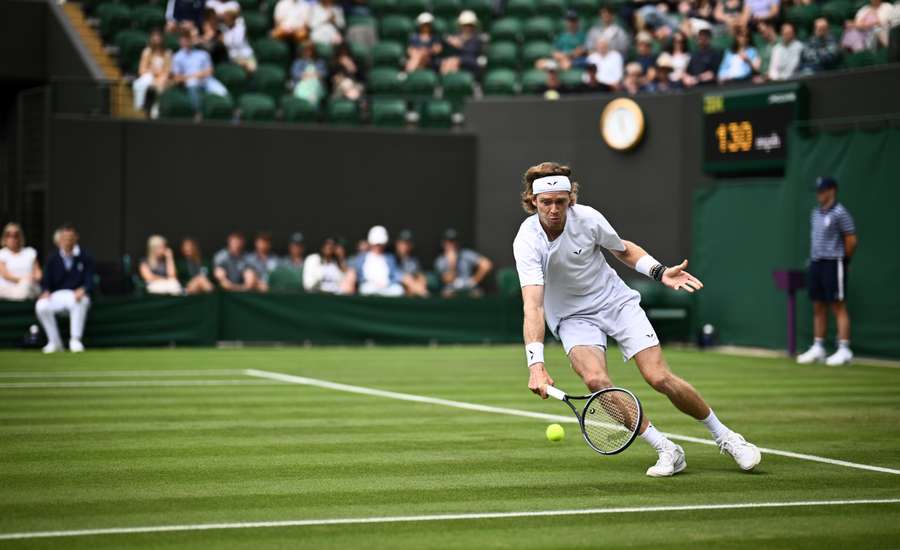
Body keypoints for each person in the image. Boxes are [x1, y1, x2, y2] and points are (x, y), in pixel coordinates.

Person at [513, 162, 761, 477]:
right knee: (595, 382)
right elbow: (533, 305)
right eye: (546, 202)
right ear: (533, 201)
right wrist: (535, 364)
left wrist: (659, 271)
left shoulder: (588, 219)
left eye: (560, 202)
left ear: (569, 200)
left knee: (659, 378)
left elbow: (623, 250)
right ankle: (666, 448)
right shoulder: (527, 241)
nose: (553, 209)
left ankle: (725, 436)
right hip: (572, 317)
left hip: (614, 301)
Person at [797, 177, 858, 366]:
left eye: (822, 190)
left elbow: (851, 240)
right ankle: (818, 347)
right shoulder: (815, 213)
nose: (819, 194)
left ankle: (844, 349)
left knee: (837, 305)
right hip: (817, 263)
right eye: (818, 191)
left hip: (834, 262)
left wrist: (844, 260)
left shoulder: (841, 213)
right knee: (818, 305)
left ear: (832, 191)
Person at [35, 224, 94, 353]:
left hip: (76, 294)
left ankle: (75, 340)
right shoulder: (52, 258)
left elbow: (90, 281)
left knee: (81, 301)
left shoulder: (85, 257)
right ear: (59, 240)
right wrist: (45, 291)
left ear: (76, 238)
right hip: (57, 296)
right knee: (41, 305)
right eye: (65, 238)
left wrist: (83, 289)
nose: (68, 241)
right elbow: (45, 281)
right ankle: (55, 342)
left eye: (70, 238)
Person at [172, 30, 229, 112]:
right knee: (192, 83)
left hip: (206, 80)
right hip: (190, 81)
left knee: (222, 91)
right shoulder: (177, 57)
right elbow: (177, 78)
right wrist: (194, 76)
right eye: (183, 39)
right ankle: (197, 113)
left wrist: (198, 75)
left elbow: (210, 71)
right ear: (180, 41)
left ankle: (231, 113)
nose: (186, 42)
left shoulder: (202, 53)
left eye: (188, 39)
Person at [342, 225, 404, 296]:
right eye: (376, 244)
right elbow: (353, 272)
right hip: (369, 287)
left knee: (398, 290)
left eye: (380, 244)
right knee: (367, 289)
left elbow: (396, 275)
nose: (378, 246)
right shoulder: (361, 258)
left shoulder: (390, 258)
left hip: (388, 288)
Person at [434, 228, 492, 297]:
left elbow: (487, 264)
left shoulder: (466, 254)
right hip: (451, 288)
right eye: (449, 241)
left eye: (454, 241)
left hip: (469, 287)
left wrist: (474, 280)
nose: (452, 244)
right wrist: (452, 264)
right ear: (443, 243)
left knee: (478, 294)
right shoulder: (440, 261)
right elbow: (448, 279)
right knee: (447, 294)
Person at [132, 29, 172, 117]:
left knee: (161, 85)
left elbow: (167, 71)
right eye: (154, 36)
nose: (156, 39)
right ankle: (140, 107)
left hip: (162, 78)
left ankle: (156, 110)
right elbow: (141, 70)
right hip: (149, 76)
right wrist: (152, 72)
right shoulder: (147, 52)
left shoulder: (167, 53)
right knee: (139, 83)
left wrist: (158, 76)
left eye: (158, 36)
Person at [0, 222, 41, 301]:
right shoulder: (1, 253)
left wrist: (33, 278)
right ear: (4, 237)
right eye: (8, 235)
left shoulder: (30, 252)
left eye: (16, 235)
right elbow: (6, 275)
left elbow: (38, 273)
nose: (12, 238)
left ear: (20, 237)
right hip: (8, 288)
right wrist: (24, 279)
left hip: (28, 286)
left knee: (27, 287)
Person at [440, 10, 483, 75]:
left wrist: (461, 46)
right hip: (457, 61)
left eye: (469, 25)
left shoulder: (477, 38)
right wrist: (449, 41)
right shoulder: (457, 35)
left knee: (454, 61)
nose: (467, 28)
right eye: (465, 25)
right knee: (447, 61)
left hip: (471, 62)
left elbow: (472, 53)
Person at [221, 5, 257, 73]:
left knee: (252, 68)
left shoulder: (241, 27)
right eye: (225, 18)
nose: (226, 19)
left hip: (247, 55)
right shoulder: (223, 30)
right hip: (234, 58)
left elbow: (238, 40)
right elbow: (226, 43)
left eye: (229, 17)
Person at [394, 229, 429, 297]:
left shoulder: (413, 260)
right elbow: (400, 278)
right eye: (402, 243)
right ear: (397, 243)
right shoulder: (391, 258)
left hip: (413, 291)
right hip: (396, 290)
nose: (405, 246)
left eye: (407, 243)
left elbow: (421, 276)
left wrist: (420, 284)